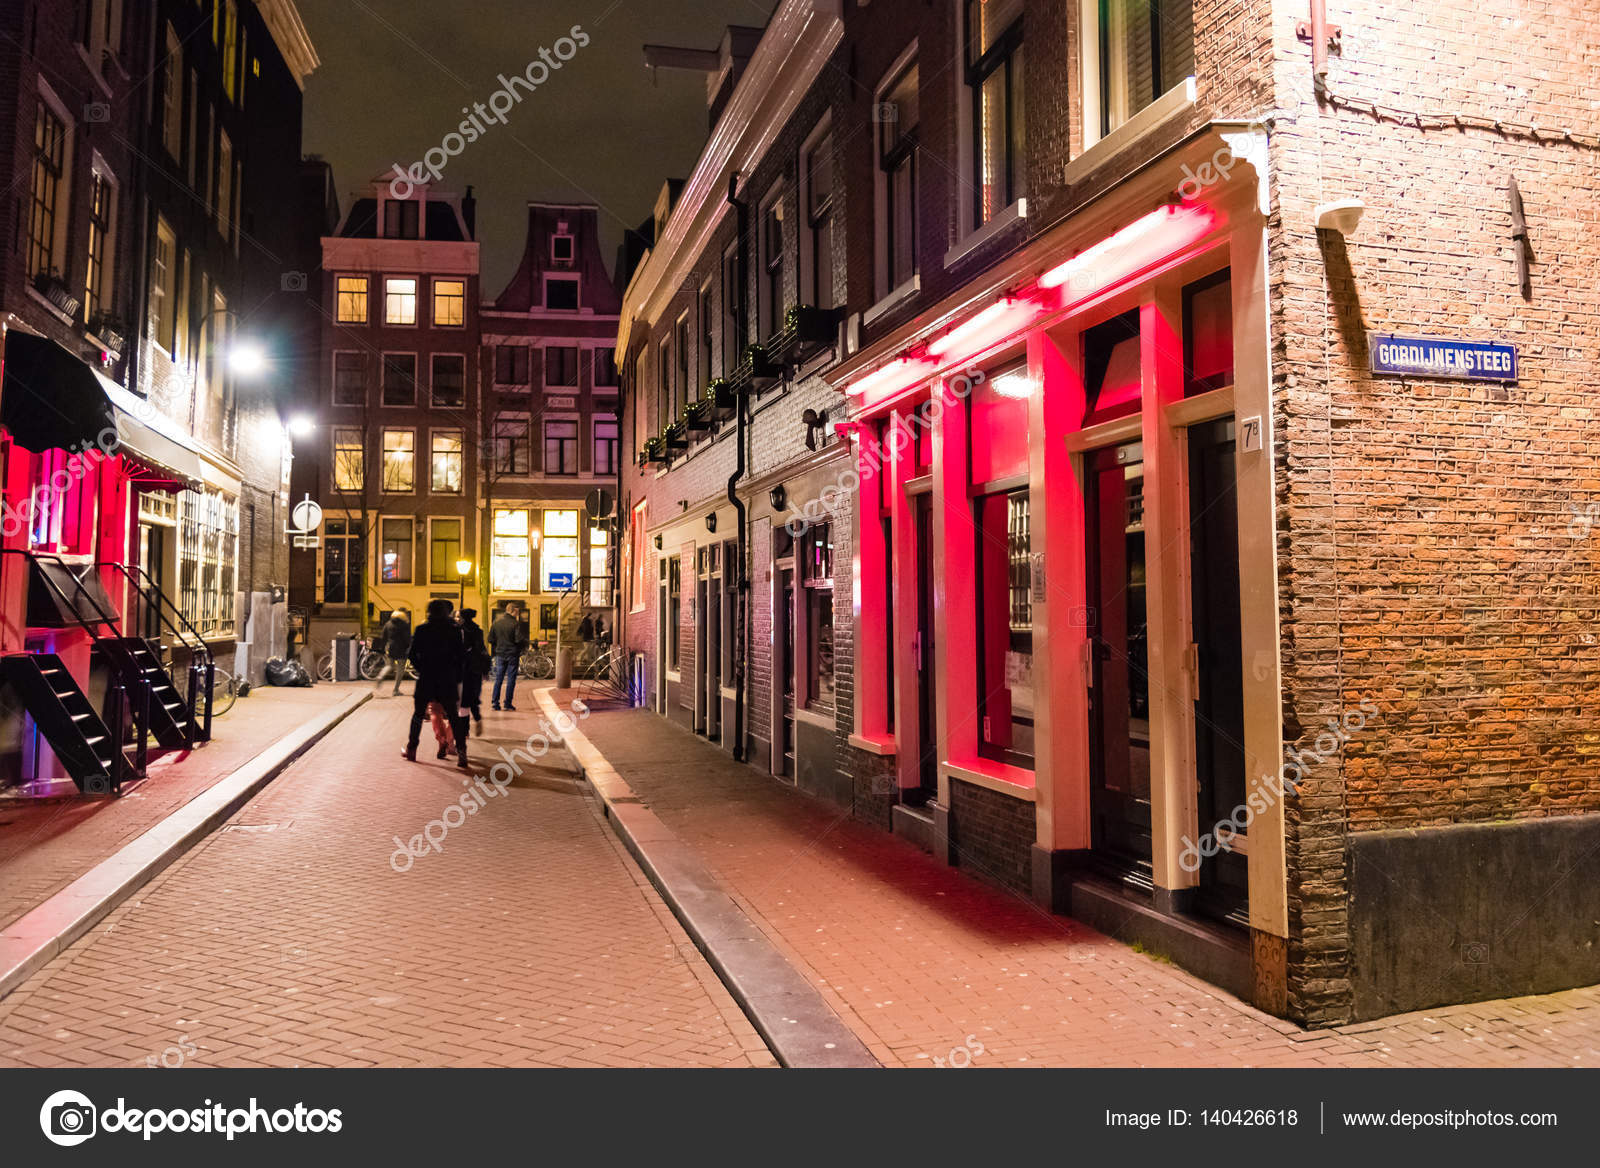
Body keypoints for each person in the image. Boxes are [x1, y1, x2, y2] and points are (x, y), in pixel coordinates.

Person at [402, 598, 469, 770]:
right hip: (447, 679)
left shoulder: (422, 629)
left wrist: (422, 667)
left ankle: (412, 748)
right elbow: (461, 656)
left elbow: (412, 654)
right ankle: (461, 752)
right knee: (453, 717)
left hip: (427, 678)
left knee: (418, 715)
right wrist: (455, 673)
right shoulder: (453, 630)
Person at [488, 602, 528, 711]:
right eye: (517, 612)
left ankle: (495, 703)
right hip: (512, 655)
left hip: (500, 654)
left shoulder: (496, 622)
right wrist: (523, 645)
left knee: (499, 679)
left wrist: (499, 646)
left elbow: (490, 639)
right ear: (513, 610)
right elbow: (518, 639)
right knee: (511, 679)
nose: (518, 614)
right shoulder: (515, 624)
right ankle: (507, 703)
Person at [457, 607, 487, 735]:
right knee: (472, 698)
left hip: (462, 669)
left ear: (463, 618)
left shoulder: (459, 631)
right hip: (475, 670)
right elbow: (482, 650)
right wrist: (485, 670)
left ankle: (465, 730)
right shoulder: (478, 631)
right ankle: (477, 718)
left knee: (463, 701)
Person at [373, 609, 411, 696]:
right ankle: (396, 690)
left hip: (391, 647)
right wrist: (409, 646)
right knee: (400, 669)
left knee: (389, 666)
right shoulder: (404, 625)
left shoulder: (388, 624)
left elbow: (383, 637)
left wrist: (382, 648)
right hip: (401, 648)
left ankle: (380, 676)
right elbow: (407, 638)